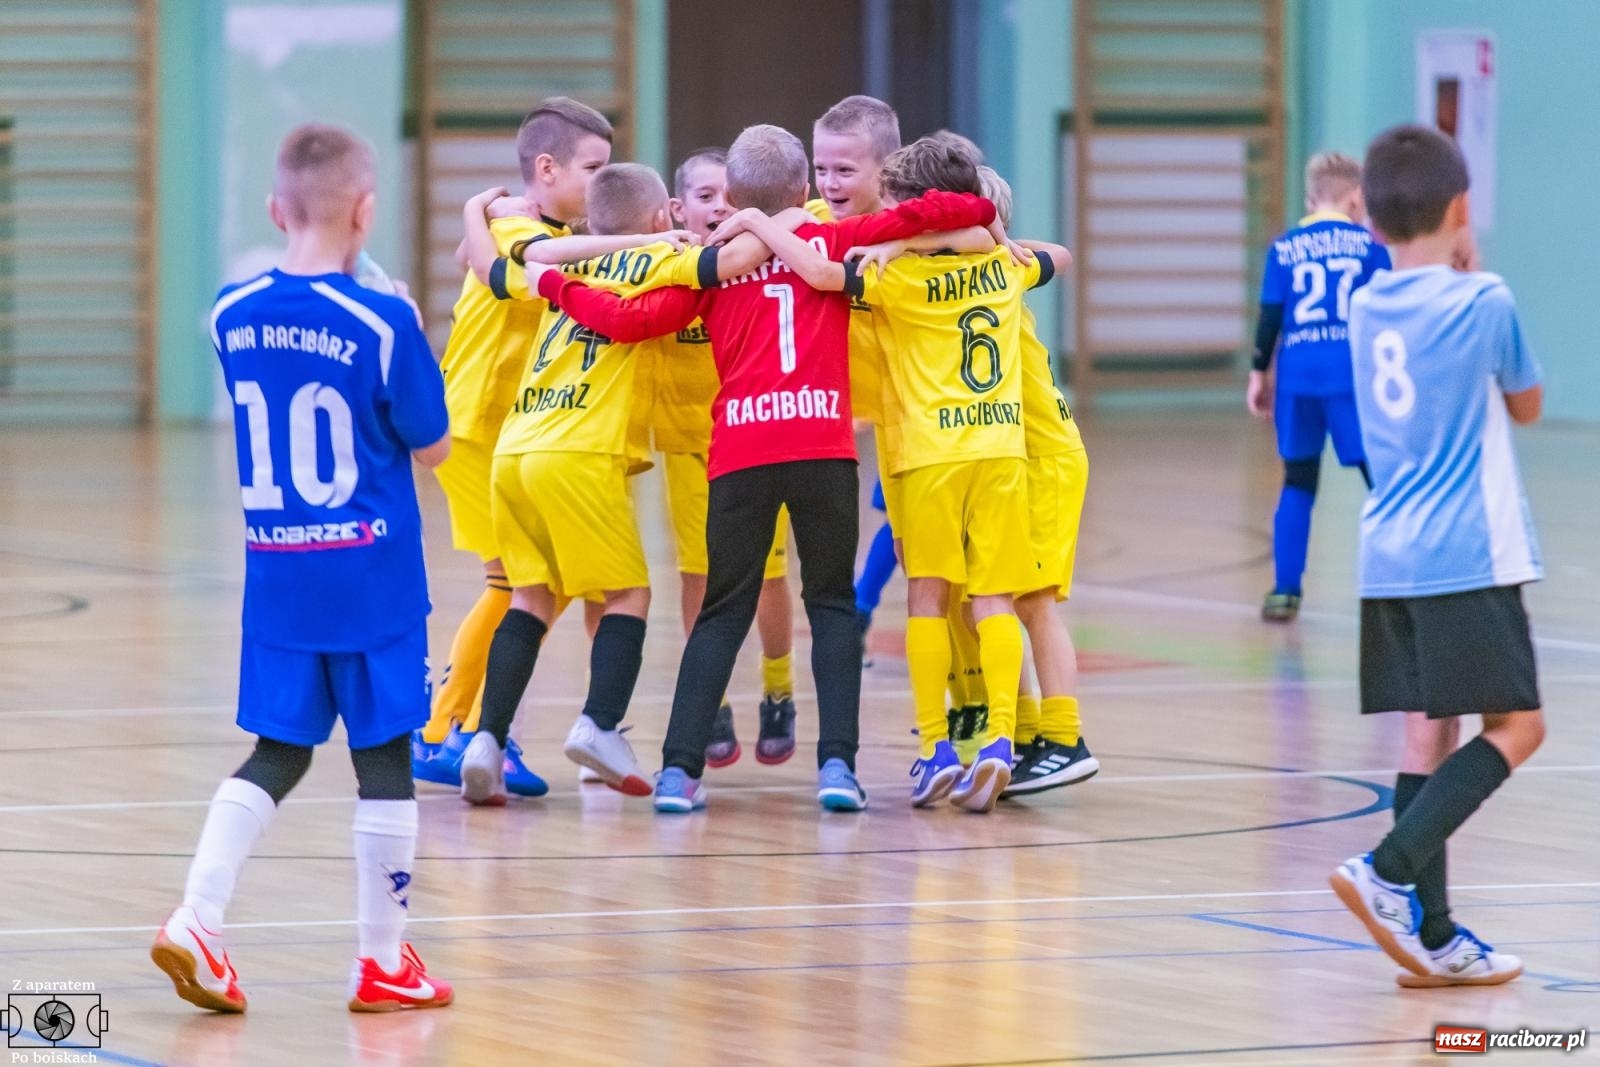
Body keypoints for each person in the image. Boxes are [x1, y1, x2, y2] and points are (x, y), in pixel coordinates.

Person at [523, 124, 1001, 813]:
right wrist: (973, 214)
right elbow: (961, 210)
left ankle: (679, 772)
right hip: (823, 448)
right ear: (804, 192)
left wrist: (552, 285)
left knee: (721, 611)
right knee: (832, 607)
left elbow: (628, 320)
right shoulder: (832, 240)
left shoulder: (716, 264)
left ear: (734, 198)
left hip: (741, 453)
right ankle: (837, 768)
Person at [153, 124, 453, 1013]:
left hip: (278, 577)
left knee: (277, 751)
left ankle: (198, 916)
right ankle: (382, 960)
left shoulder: (225, 313)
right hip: (372, 580)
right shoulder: (384, 319)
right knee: (385, 758)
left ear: (274, 209)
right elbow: (431, 447)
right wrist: (402, 318)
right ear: (367, 212)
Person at [734, 135, 1070, 812]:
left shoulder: (895, 279)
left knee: (927, 598)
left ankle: (937, 748)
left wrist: (759, 222)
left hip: (928, 455)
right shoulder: (1005, 265)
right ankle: (1003, 740)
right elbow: (1037, 252)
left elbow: (820, 272)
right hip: (1000, 451)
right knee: (996, 598)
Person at [451, 163, 763, 803]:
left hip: (516, 448)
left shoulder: (565, 266)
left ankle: (485, 738)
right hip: (579, 449)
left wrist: (471, 216)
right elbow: (721, 270)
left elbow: (494, 272)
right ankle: (598, 726)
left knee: (530, 598)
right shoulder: (659, 257)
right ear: (661, 219)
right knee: (628, 595)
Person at [1329, 124, 1545, 989]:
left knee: (1430, 731)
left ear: (1372, 225)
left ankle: (1438, 934)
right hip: (1468, 551)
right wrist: (1472, 266)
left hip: (1389, 552)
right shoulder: (1485, 297)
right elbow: (1525, 405)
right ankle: (1387, 868)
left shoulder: (1361, 305)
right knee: (1519, 726)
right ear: (1461, 209)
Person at [411, 97, 615, 795]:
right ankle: (444, 732)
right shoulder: (519, 228)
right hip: (473, 429)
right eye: (595, 168)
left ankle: (482, 732)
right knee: (516, 585)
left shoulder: (530, 225)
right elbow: (517, 269)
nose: (602, 182)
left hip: (508, 434)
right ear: (548, 168)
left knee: (537, 588)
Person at [660, 147, 800, 769]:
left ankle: (779, 687)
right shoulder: (664, 259)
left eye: (727, 195)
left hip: (754, 439)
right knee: (698, 577)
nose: (718, 206)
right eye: (704, 195)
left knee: (769, 575)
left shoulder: (764, 250)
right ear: (676, 208)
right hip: (689, 445)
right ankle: (709, 699)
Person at [1250, 152, 1390, 622]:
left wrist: (1258, 373)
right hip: (1353, 375)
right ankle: (1401, 585)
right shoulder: (1370, 247)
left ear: (1310, 200)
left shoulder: (1284, 248)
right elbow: (1388, 312)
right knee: (1384, 481)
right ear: (1357, 198)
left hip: (1297, 377)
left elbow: (1271, 317)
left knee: (1299, 480)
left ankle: (1284, 590)